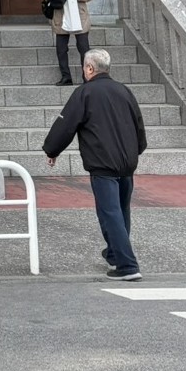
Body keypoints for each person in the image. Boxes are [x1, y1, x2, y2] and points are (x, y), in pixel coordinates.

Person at [42, 48, 148, 281]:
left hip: (102, 162)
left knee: (110, 213)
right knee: (121, 211)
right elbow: (138, 124)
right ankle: (114, 254)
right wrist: (137, 150)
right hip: (127, 162)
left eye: (84, 67)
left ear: (90, 68)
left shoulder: (85, 93)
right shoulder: (124, 91)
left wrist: (52, 150)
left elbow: (66, 124)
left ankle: (127, 265)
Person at [43, 0, 95, 86]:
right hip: (60, 14)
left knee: (83, 48)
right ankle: (66, 77)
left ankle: (87, 78)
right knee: (61, 49)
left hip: (78, 15)